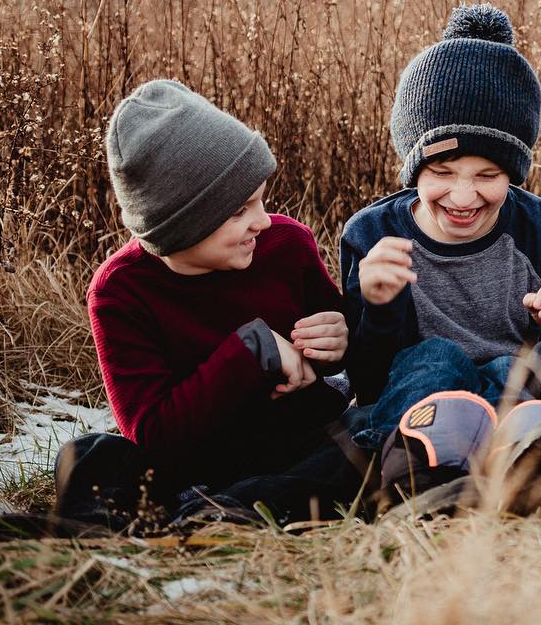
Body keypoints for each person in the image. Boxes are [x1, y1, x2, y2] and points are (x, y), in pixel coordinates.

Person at [340, 4, 541, 512]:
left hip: (522, 404)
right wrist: (379, 307)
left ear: (514, 172)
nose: (463, 197)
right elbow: (371, 382)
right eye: (442, 171)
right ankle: (424, 475)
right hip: (426, 404)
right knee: (434, 357)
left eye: (487, 176)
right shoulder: (371, 235)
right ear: (412, 166)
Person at [57, 80, 359, 531]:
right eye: (239, 211)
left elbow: (350, 355)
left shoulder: (287, 245)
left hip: (297, 441)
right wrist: (252, 350)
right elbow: (154, 433)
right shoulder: (119, 290)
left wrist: (340, 338)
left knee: (368, 434)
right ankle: (117, 528)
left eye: (261, 199)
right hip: (192, 458)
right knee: (90, 456)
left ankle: (224, 511)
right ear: (182, 225)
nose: (262, 220)